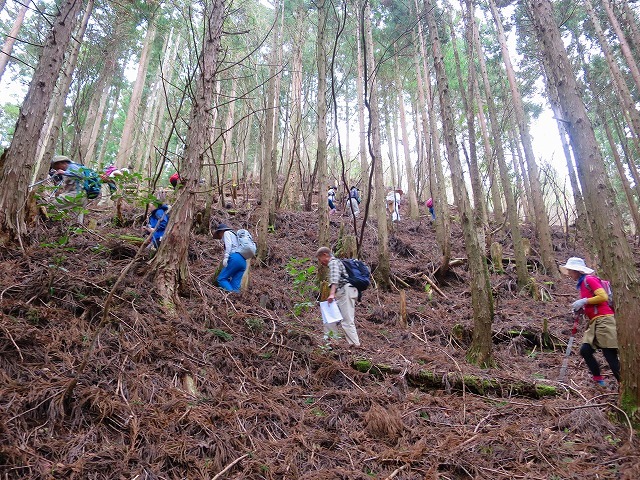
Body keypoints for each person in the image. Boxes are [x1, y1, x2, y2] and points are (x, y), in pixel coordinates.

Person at [559, 257, 620, 386]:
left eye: (571, 271)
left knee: (609, 354)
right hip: (595, 322)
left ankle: (624, 384)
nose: (569, 274)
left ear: (578, 271)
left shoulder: (589, 279)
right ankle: (599, 381)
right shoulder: (582, 284)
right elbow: (593, 302)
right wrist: (582, 309)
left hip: (605, 320)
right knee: (585, 351)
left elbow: (602, 296)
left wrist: (584, 301)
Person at [316, 246, 361, 348]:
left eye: (320, 259)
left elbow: (335, 278)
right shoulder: (335, 263)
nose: (321, 262)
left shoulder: (333, 262)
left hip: (346, 292)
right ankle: (331, 343)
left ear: (325, 255)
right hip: (342, 293)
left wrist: (331, 294)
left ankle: (355, 345)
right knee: (329, 318)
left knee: (347, 321)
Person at [48, 155, 90, 223]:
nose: (57, 170)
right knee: (76, 220)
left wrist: (64, 172)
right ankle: (76, 231)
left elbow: (81, 175)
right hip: (80, 196)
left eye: (57, 167)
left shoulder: (72, 166)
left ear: (62, 163)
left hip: (76, 195)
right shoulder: (69, 169)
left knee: (52, 205)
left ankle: (49, 222)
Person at [214, 223, 246, 292]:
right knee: (235, 285)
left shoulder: (226, 233)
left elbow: (229, 246)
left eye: (219, 234)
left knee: (221, 279)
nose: (220, 236)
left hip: (235, 258)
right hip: (243, 261)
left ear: (221, 231)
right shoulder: (235, 235)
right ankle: (236, 301)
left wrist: (226, 257)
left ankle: (231, 295)